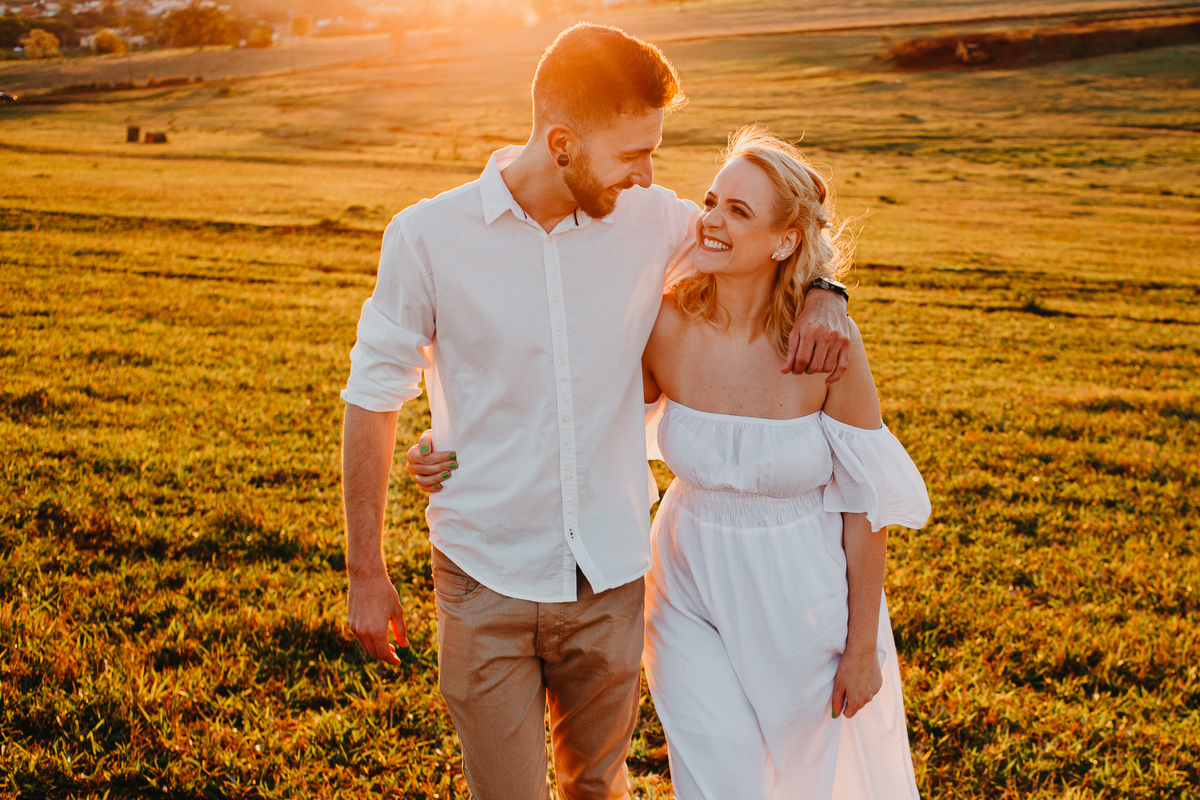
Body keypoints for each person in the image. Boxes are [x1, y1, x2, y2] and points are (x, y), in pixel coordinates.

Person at [343, 23, 853, 800]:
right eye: (632, 153)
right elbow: (373, 395)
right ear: (562, 144)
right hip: (482, 579)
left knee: (599, 789)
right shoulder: (426, 238)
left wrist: (826, 291)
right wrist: (366, 572)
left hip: (610, 578)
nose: (650, 174)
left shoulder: (652, 220)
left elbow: (786, 215)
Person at [639, 126, 931, 799]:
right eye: (711, 201)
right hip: (684, 582)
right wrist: (451, 443)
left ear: (784, 241)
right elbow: (589, 417)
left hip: (801, 595)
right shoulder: (667, 324)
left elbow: (863, 503)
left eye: (738, 212)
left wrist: (862, 648)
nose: (711, 220)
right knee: (716, 778)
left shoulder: (826, 345)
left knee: (814, 782)